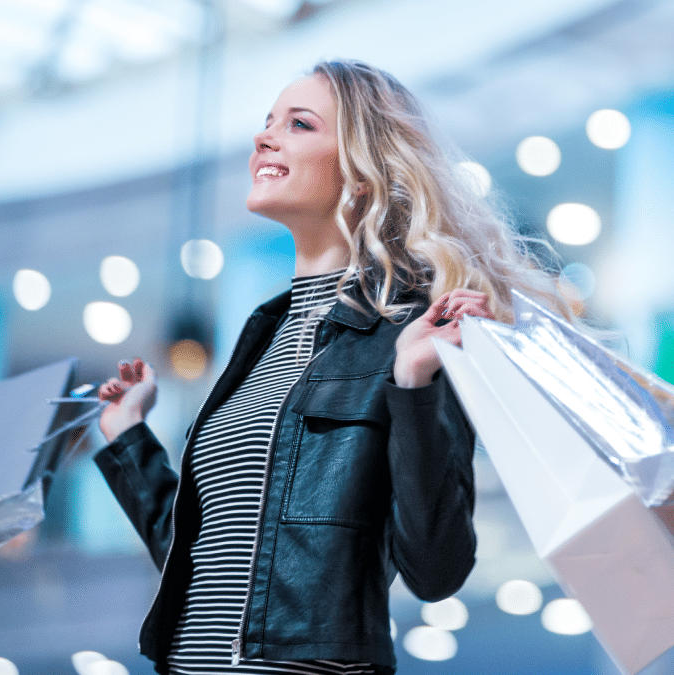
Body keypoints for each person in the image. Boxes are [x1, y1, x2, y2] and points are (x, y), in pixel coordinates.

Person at [94, 60, 564, 675]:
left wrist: (413, 386)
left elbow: (436, 569)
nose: (265, 137)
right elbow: (203, 561)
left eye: (299, 124)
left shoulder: (415, 334)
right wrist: (127, 439)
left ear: (363, 173)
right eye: (267, 123)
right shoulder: (260, 335)